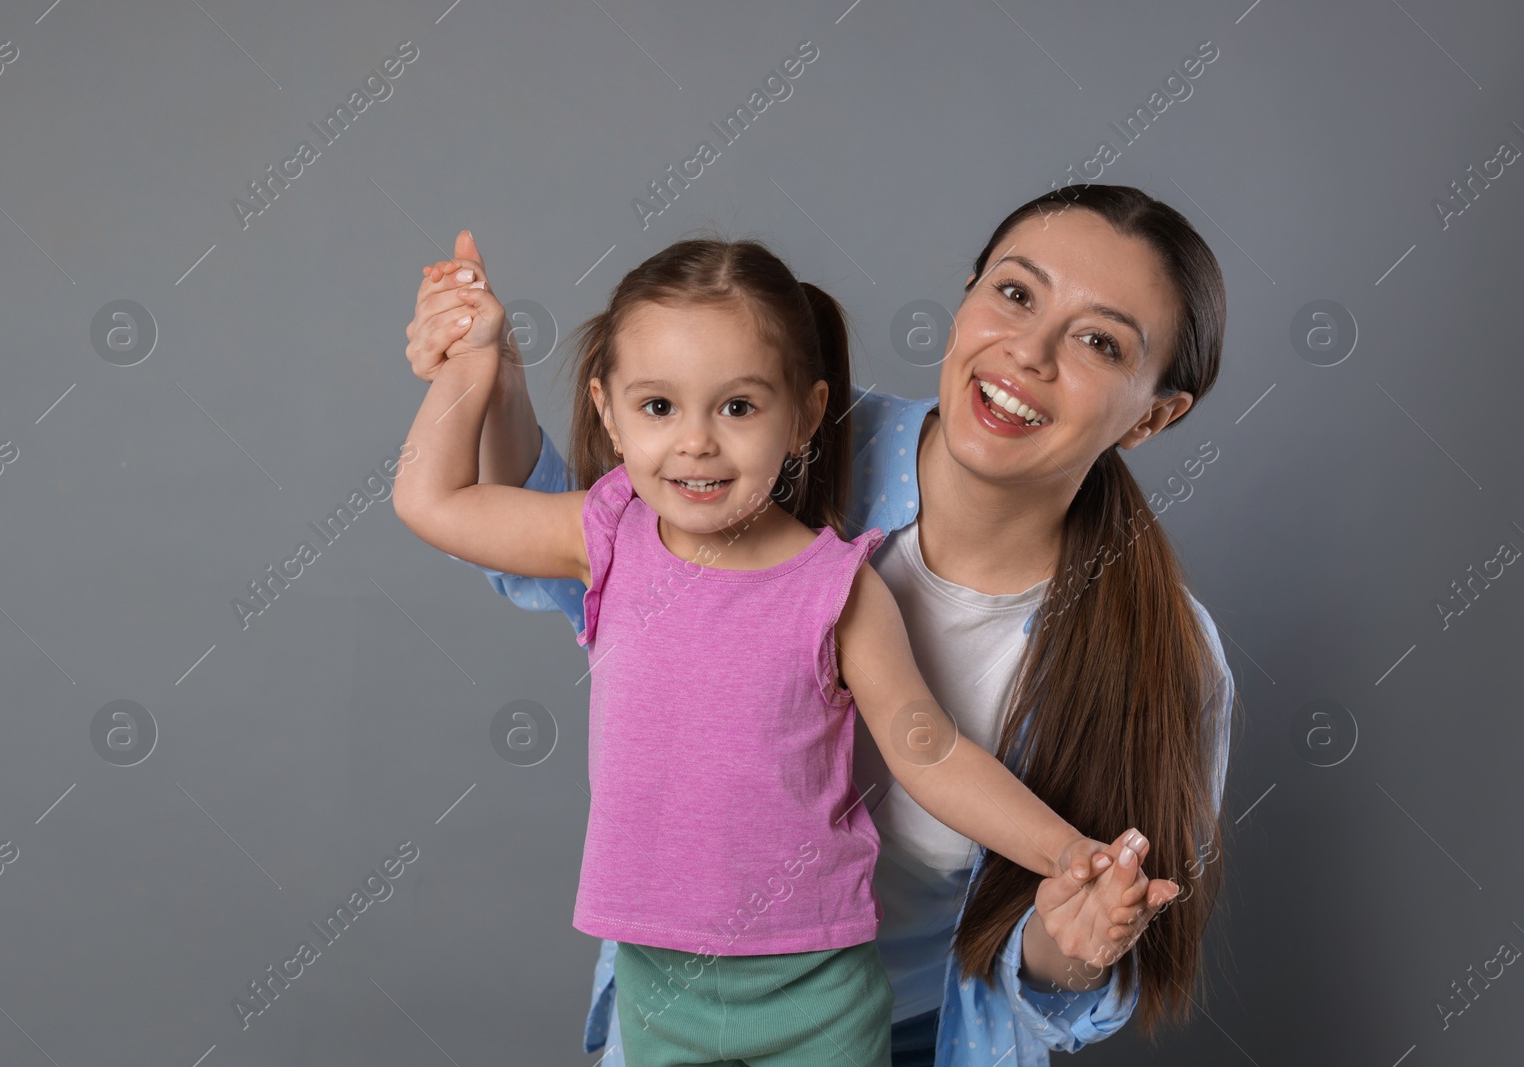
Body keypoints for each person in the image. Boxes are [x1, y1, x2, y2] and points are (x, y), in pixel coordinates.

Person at [407, 184, 1234, 1066]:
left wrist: (1077, 905)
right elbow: (584, 567)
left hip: (890, 1030)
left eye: (1099, 341)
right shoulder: (763, 449)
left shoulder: (1155, 655)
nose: (1028, 351)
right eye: (1017, 294)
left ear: (1152, 414)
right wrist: (484, 376)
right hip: (666, 985)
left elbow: (937, 755)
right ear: (967, 295)